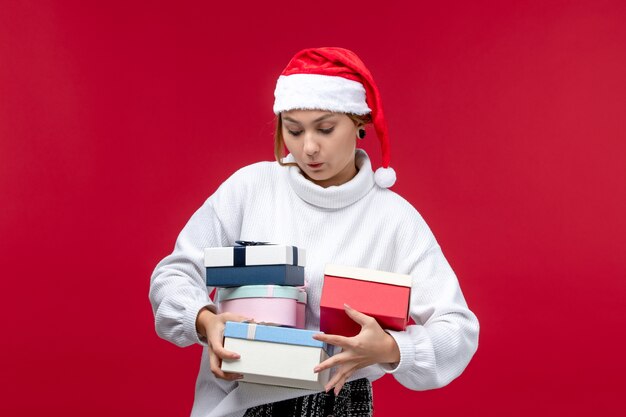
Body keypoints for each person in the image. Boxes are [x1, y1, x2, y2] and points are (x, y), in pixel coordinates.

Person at [149, 47, 479, 417]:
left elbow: (458, 331)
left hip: (337, 403)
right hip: (233, 403)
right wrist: (205, 319)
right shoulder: (249, 188)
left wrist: (390, 349)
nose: (308, 147)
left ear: (359, 122)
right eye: (293, 129)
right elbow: (173, 274)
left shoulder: (395, 219)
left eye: (325, 128)